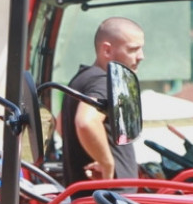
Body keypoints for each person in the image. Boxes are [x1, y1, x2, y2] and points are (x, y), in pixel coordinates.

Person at [61, 16, 145, 185]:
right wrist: (107, 164)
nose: (141, 56)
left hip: (93, 199)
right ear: (107, 50)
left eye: (141, 49)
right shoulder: (104, 81)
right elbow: (85, 122)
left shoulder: (81, 79)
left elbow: (59, 124)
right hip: (110, 200)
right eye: (133, 49)